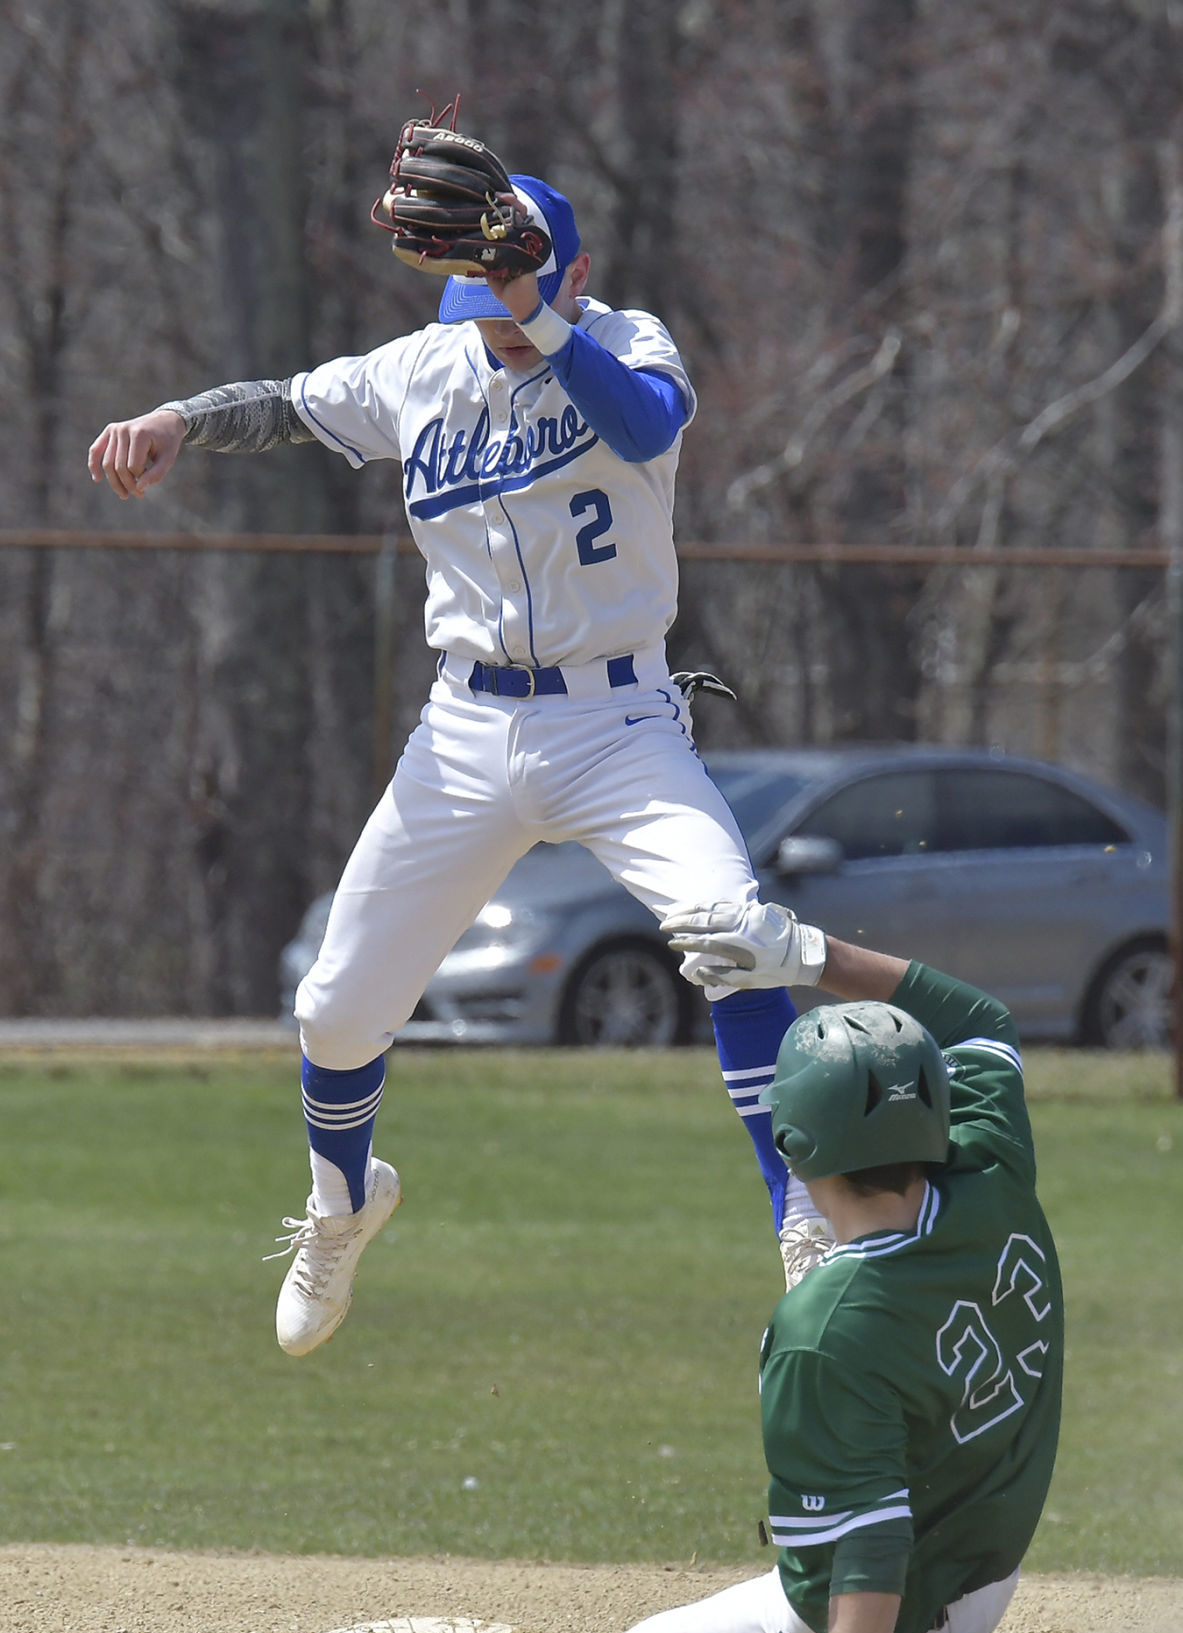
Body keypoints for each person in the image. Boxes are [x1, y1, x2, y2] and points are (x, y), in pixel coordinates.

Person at [88, 164, 824, 1357]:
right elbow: (288, 402)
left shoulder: (626, 342)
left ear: (574, 278)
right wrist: (177, 419)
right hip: (467, 731)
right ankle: (343, 1206)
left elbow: (646, 423)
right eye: (476, 302)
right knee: (335, 1012)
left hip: (618, 720)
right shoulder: (425, 370)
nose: (494, 324)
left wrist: (533, 306)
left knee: (732, 934)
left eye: (514, 295)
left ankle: (802, 1217)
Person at [600, 898, 1064, 1633]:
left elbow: (870, 1546)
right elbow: (979, 1019)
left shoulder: (827, 1327)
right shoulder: (989, 1161)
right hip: (987, 1568)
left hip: (897, 1626)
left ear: (793, 1144)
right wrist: (808, 955)